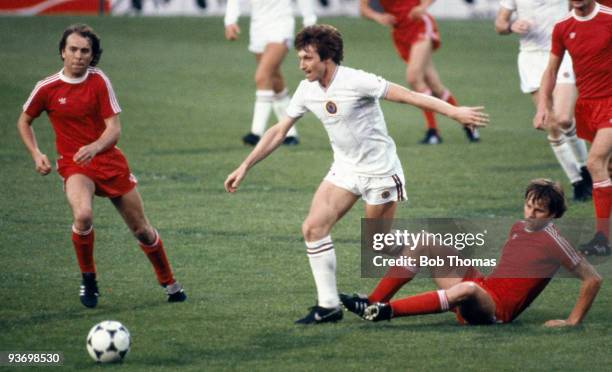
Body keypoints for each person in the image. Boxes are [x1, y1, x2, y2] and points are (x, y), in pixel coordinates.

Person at [224, 24, 488, 324]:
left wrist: (454, 113)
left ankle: (436, 252)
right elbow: (279, 130)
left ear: (327, 58)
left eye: (308, 58)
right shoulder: (306, 90)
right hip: (345, 169)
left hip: (380, 173)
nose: (301, 65)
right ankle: (328, 306)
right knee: (312, 228)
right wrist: (245, 165)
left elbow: (409, 96)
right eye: (300, 58)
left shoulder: (357, 80)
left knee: (378, 245)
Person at [17, 24, 186, 308]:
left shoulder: (98, 81)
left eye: (86, 51)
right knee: (82, 216)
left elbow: (114, 129)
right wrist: (36, 153)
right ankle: (89, 279)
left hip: (108, 162)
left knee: (142, 230)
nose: (79, 56)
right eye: (73, 49)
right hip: (75, 166)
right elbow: (24, 120)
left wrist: (95, 147)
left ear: (93, 56)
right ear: (62, 52)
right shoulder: (46, 88)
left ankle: (170, 283)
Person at [343, 179, 602, 327]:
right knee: (425, 242)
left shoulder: (554, 239)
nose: (530, 215)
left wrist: (571, 322)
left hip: (495, 310)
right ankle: (373, 301)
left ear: (554, 215)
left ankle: (386, 312)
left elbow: (593, 278)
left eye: (539, 211)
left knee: (467, 289)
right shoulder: (519, 227)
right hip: (484, 287)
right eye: (528, 206)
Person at [534, 0, 612, 256]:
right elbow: (551, 70)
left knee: (594, 162)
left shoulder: (609, 18)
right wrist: (542, 106)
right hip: (589, 105)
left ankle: (602, 237)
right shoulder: (563, 27)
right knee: (607, 168)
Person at [495, 0, 591, 202]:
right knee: (552, 126)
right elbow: (500, 24)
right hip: (531, 58)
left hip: (562, 53)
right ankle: (577, 182)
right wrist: (511, 26)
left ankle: (586, 167)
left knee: (564, 118)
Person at [359, 0, 479, 144]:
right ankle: (468, 124)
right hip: (400, 31)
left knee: (414, 78)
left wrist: (422, 6)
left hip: (419, 25)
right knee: (435, 86)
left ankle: (433, 132)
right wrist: (378, 17)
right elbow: (363, 10)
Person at [224, 0, 317, 146]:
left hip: (281, 27)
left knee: (262, 75)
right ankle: (290, 133)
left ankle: (256, 133)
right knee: (273, 77)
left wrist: (309, 21)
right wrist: (230, 21)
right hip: (258, 29)